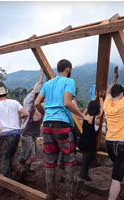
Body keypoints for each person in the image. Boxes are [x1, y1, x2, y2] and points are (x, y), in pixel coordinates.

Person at [34, 59, 86, 200]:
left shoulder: (48, 83)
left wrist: (45, 114)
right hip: (62, 125)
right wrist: (82, 116)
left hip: (47, 125)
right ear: (68, 69)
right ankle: (69, 195)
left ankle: (51, 194)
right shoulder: (69, 82)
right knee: (69, 159)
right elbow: (67, 103)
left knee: (49, 160)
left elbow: (37, 102)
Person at [103, 62, 124, 200]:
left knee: (117, 166)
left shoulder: (107, 105)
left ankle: (116, 193)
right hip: (123, 144)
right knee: (116, 178)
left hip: (109, 143)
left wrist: (114, 78)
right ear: (122, 94)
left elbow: (108, 92)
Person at [0, 87, 29, 180]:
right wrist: (19, 117)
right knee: (12, 154)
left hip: (6, 135)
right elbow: (26, 113)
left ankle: (7, 180)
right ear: (6, 94)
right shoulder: (14, 102)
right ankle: (19, 170)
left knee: (4, 157)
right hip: (16, 133)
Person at [75, 90, 105, 198]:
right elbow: (102, 109)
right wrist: (101, 98)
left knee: (86, 159)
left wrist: (95, 97)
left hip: (81, 142)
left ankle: (86, 176)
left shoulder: (85, 116)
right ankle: (79, 189)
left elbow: (88, 107)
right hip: (89, 144)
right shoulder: (96, 119)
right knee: (85, 164)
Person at [19, 69, 45, 175]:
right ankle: (18, 169)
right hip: (27, 133)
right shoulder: (29, 105)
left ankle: (26, 169)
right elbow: (35, 92)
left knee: (32, 155)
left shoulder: (35, 107)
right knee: (24, 156)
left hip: (31, 134)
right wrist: (41, 77)